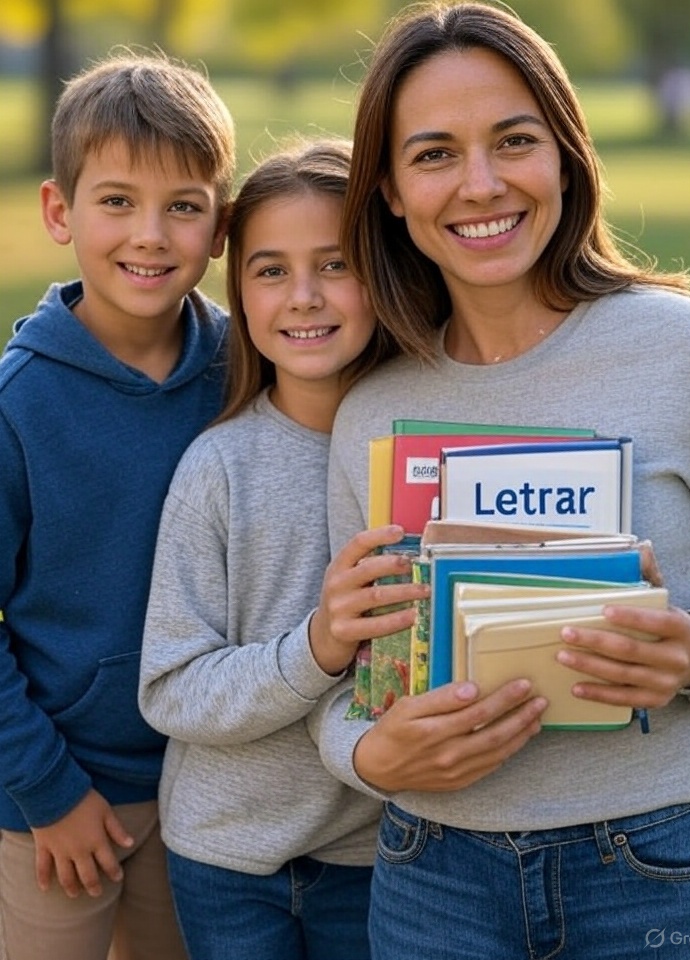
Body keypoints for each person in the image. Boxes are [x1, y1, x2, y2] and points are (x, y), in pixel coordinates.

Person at [307, 3, 690, 958]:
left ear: (567, 157)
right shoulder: (371, 412)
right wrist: (368, 753)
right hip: (430, 878)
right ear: (390, 193)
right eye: (434, 154)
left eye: (514, 140)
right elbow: (345, 678)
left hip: (667, 866)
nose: (481, 184)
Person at [138, 137, 422, 960]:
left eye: (335, 265)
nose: (303, 296)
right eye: (269, 270)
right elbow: (171, 689)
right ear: (239, 290)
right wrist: (317, 649)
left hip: (377, 853)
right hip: (226, 860)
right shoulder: (219, 467)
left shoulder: (425, 451)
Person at [0, 49, 236, 960]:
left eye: (183, 206)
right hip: (52, 799)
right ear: (60, 212)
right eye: (116, 202)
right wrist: (49, 794)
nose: (150, 234)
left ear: (220, 227)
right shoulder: (21, 404)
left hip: (209, 787)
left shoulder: (247, 376)